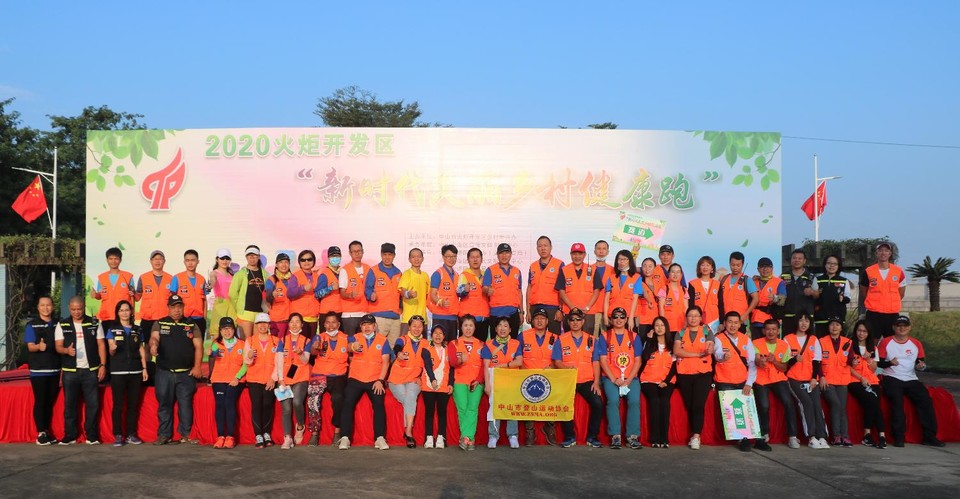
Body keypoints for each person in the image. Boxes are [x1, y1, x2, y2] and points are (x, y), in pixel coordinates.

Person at [878, 315, 944, 447]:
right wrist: (890, 363)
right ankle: (898, 437)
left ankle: (929, 436)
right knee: (897, 402)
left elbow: (921, 364)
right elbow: (879, 363)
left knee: (925, 400)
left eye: (905, 326)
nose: (902, 328)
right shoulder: (886, 342)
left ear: (909, 328)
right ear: (894, 327)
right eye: (899, 326)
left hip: (911, 378)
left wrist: (921, 367)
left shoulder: (916, 343)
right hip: (891, 377)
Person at [149, 294, 203, 445]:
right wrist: (153, 345)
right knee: (164, 405)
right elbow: (154, 338)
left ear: (183, 307)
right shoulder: (160, 323)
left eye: (179, 307)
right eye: (173, 307)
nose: (177, 310)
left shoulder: (191, 324)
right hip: (164, 372)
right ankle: (164, 435)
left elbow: (199, 346)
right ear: (168, 308)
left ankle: (186, 434)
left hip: (185, 373)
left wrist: (197, 367)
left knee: (185, 405)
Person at [55, 296, 106, 445]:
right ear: (69, 308)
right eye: (73, 309)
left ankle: (92, 435)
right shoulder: (62, 324)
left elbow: (101, 345)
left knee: (93, 404)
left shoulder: (94, 323)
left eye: (79, 309)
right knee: (70, 404)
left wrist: (102, 365)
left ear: (84, 307)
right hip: (70, 371)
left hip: (91, 370)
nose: (76, 312)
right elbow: (58, 346)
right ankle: (70, 435)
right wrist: (66, 350)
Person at [339, 314, 391, 450]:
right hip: (356, 377)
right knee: (347, 403)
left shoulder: (383, 340)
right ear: (361, 326)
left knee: (379, 404)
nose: (367, 327)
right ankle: (345, 437)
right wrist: (352, 347)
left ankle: (380, 438)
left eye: (370, 324)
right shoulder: (355, 338)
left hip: (375, 379)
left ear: (374, 326)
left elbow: (386, 362)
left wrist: (380, 380)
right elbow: (347, 347)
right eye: (364, 324)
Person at [553, 308, 603, 448]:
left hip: (587, 380)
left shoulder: (592, 339)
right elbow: (557, 361)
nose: (575, 322)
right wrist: (566, 369)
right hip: (568, 380)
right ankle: (569, 437)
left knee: (598, 403)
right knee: (564, 404)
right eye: (572, 320)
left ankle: (592, 437)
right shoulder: (561, 339)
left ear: (583, 321)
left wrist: (596, 382)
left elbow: (596, 362)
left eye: (578, 319)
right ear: (568, 322)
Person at [596, 307, 642, 449]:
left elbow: (638, 361)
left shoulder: (634, 337)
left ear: (626, 319)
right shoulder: (605, 336)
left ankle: (632, 436)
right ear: (611, 320)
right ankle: (615, 435)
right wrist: (615, 379)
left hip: (630, 378)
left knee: (634, 401)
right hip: (611, 378)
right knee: (613, 400)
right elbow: (603, 361)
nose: (619, 319)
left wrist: (628, 380)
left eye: (622, 317)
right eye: (615, 317)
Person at [713, 311, 758, 452]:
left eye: (736, 322)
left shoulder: (746, 340)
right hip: (724, 380)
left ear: (740, 324)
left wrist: (749, 383)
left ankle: (750, 437)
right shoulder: (718, 338)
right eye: (730, 322)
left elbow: (752, 363)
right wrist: (723, 357)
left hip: (742, 380)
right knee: (733, 409)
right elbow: (717, 355)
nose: (732, 325)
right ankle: (741, 438)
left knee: (746, 408)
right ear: (724, 323)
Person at [752, 319, 801, 450]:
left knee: (788, 402)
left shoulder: (784, 345)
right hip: (761, 379)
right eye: (768, 329)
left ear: (778, 331)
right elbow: (756, 360)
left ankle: (792, 436)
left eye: (774, 329)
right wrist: (760, 362)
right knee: (764, 405)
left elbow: (784, 368)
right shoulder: (756, 343)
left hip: (778, 378)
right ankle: (764, 433)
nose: (771, 332)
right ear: (763, 331)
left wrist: (774, 362)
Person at [104, 300, 147, 446]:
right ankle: (118, 435)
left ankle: (131, 434)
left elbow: (141, 349)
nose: (124, 313)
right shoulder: (112, 329)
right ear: (117, 313)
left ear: (131, 312)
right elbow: (111, 350)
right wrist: (113, 348)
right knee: (118, 405)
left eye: (127, 310)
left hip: (135, 371)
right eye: (121, 310)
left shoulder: (137, 329)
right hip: (118, 372)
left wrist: (144, 368)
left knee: (133, 405)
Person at [784, 313, 829, 449]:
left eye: (807, 321)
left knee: (816, 404)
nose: (804, 323)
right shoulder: (787, 339)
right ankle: (811, 437)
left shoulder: (814, 339)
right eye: (801, 320)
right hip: (794, 378)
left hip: (811, 380)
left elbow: (816, 361)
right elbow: (785, 362)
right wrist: (794, 360)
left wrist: (814, 378)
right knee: (806, 403)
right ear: (796, 322)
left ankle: (822, 436)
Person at [673, 306, 715, 450]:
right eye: (690, 315)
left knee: (698, 405)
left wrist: (709, 349)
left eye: (696, 315)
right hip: (684, 373)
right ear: (686, 318)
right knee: (690, 405)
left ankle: (696, 436)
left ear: (700, 318)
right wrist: (697, 354)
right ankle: (693, 434)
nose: (693, 318)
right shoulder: (680, 333)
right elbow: (677, 350)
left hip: (703, 373)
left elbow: (710, 347)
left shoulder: (707, 331)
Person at [307, 313, 349, 447]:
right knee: (313, 400)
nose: (331, 325)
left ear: (338, 324)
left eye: (333, 322)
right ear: (324, 325)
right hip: (319, 374)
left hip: (338, 375)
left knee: (338, 398)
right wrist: (315, 347)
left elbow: (353, 349)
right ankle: (314, 433)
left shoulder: (346, 338)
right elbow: (312, 352)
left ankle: (337, 431)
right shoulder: (319, 337)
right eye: (328, 322)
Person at [519, 308, 559, 446]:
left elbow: (558, 359)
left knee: (556, 394)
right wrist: (524, 371)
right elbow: (517, 356)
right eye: (536, 318)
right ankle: (529, 430)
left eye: (542, 318)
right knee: (526, 395)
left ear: (547, 321)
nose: (539, 321)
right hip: (528, 377)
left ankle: (550, 426)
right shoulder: (523, 336)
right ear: (532, 321)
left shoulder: (555, 337)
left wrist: (552, 367)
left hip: (548, 377)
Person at [24, 296, 61, 445]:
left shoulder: (58, 323)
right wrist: (38, 347)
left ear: (53, 307)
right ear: (38, 307)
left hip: (55, 369)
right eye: (43, 305)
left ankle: (46, 431)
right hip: (39, 370)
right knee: (41, 401)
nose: (46, 308)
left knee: (49, 402)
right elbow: (30, 346)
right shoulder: (32, 325)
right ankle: (40, 433)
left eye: (48, 305)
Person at [481, 316, 523, 449]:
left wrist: (503, 366)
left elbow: (519, 362)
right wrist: (487, 384)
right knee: (494, 408)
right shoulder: (488, 345)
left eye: (505, 326)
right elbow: (486, 366)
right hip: (495, 383)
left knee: (512, 408)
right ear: (495, 329)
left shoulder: (516, 343)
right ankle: (493, 436)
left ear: (510, 329)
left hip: (512, 382)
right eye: (500, 325)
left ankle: (513, 435)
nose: (502, 328)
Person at [207, 317, 246, 449]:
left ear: (234, 330)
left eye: (229, 328)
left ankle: (230, 436)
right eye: (224, 329)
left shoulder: (242, 344)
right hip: (219, 379)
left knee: (229, 402)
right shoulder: (217, 344)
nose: (227, 331)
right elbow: (212, 353)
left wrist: (237, 378)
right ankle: (220, 436)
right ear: (220, 330)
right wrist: (210, 352)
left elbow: (246, 364)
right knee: (220, 404)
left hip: (236, 380)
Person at [389, 315, 427, 448]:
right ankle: (408, 432)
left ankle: (408, 431)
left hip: (414, 379)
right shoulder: (403, 339)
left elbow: (429, 364)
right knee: (408, 398)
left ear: (423, 328)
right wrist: (398, 353)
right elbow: (397, 347)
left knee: (411, 395)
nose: (417, 329)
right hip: (396, 379)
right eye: (414, 326)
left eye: (419, 326)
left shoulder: (426, 343)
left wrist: (421, 377)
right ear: (409, 327)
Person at [847, 320, 886, 448]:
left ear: (868, 333)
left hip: (872, 380)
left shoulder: (873, 348)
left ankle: (880, 436)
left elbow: (874, 369)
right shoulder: (849, 345)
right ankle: (869, 434)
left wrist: (869, 359)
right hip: (854, 380)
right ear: (855, 331)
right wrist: (860, 377)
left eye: (864, 331)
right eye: (859, 330)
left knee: (875, 403)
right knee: (872, 400)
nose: (861, 333)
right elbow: (847, 367)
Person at [275, 313, 311, 449]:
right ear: (288, 324)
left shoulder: (307, 341)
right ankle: (287, 438)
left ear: (302, 324)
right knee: (286, 409)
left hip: (301, 377)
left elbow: (306, 360)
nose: (294, 324)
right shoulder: (282, 340)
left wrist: (300, 353)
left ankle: (300, 426)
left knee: (297, 402)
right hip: (285, 378)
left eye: (297, 322)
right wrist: (280, 379)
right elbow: (279, 361)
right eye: (292, 322)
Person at [639, 316, 676, 448]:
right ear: (653, 328)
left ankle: (664, 438)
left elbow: (674, 366)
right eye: (657, 325)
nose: (659, 328)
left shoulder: (672, 344)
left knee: (665, 402)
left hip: (667, 380)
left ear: (666, 327)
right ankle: (654, 438)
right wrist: (649, 340)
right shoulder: (648, 342)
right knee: (654, 401)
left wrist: (666, 381)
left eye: (662, 325)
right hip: (648, 379)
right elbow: (644, 357)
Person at [448, 317, 484, 450]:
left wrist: (478, 380)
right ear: (461, 327)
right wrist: (460, 360)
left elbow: (484, 365)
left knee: (472, 409)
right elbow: (452, 362)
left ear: (475, 327)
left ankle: (465, 438)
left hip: (476, 382)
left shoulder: (481, 344)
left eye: (471, 325)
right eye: (465, 325)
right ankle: (469, 439)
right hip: (459, 381)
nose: (468, 328)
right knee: (462, 408)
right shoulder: (454, 343)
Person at [137, 250, 172, 382]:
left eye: (160, 259)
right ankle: (148, 374)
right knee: (147, 346)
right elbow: (137, 296)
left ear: (164, 261)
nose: (157, 261)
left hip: (164, 320)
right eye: (155, 259)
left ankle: (162, 374)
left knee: (163, 347)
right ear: (151, 261)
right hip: (148, 319)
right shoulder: (143, 278)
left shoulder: (171, 279)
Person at [244, 313, 278, 448]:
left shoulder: (276, 341)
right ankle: (258, 434)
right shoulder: (250, 340)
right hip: (254, 379)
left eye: (265, 323)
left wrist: (273, 378)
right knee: (257, 405)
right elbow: (247, 362)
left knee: (268, 405)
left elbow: (279, 362)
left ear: (269, 325)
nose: (262, 326)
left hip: (270, 379)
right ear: (256, 325)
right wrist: (249, 356)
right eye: (259, 323)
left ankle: (267, 433)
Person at [860, 242, 907, 339]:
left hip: (892, 313)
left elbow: (901, 293)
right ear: (876, 253)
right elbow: (864, 291)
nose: (883, 253)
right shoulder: (869, 271)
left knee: (891, 342)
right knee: (872, 341)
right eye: (880, 250)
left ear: (890, 253)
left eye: (886, 250)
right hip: (873, 313)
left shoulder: (898, 271)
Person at [819, 317, 853, 447]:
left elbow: (850, 360)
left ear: (841, 328)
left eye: (837, 325)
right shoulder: (821, 341)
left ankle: (845, 436)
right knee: (836, 404)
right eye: (832, 325)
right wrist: (821, 377)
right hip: (827, 381)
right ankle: (836, 436)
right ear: (828, 327)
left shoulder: (848, 342)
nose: (834, 327)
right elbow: (817, 362)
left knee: (842, 407)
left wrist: (854, 361)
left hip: (842, 380)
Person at [557, 243, 602, 334]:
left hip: (588, 313)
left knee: (588, 339)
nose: (577, 256)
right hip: (569, 311)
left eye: (580, 254)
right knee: (569, 339)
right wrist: (572, 307)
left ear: (584, 254)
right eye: (574, 254)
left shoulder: (592, 269)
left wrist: (587, 307)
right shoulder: (564, 270)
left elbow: (597, 291)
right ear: (570, 255)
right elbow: (561, 291)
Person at [422, 323, 454, 449]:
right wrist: (433, 379)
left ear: (444, 336)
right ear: (431, 335)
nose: (438, 336)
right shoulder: (426, 349)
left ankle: (441, 437)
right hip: (428, 386)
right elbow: (427, 365)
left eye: (441, 333)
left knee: (442, 412)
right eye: (435, 333)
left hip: (444, 386)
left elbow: (452, 368)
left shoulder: (449, 350)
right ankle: (429, 437)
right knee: (429, 412)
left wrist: (451, 384)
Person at [483, 243, 524, 338]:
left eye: (507, 253)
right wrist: (487, 290)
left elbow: (519, 292)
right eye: (501, 253)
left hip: (513, 313)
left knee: (513, 342)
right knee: (495, 343)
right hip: (496, 313)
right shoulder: (490, 270)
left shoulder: (517, 271)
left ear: (511, 254)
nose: (504, 256)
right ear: (497, 255)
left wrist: (521, 312)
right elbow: (484, 288)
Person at [169, 250, 209, 345]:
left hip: (199, 319)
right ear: (184, 262)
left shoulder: (202, 279)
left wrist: (204, 317)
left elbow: (204, 299)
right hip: (183, 318)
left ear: (198, 261)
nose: (190, 263)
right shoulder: (177, 278)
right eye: (187, 260)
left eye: (193, 260)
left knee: (199, 346)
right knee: (182, 346)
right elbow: (171, 299)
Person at [366, 243, 403, 347]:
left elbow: (401, 294)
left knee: (393, 347)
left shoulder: (399, 273)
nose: (387, 257)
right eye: (385, 254)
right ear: (381, 255)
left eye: (390, 255)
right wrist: (371, 295)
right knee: (377, 346)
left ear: (394, 255)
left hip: (395, 318)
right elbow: (367, 289)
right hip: (379, 316)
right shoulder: (374, 270)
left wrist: (401, 309)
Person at [526, 235, 565, 334]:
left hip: (553, 308)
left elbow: (563, 289)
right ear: (537, 248)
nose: (543, 248)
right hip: (535, 307)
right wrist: (528, 310)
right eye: (540, 246)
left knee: (554, 338)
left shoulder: (559, 264)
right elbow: (529, 288)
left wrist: (560, 309)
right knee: (536, 337)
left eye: (545, 245)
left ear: (551, 247)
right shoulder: (533, 266)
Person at [229, 245, 268, 339]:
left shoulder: (265, 274)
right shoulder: (240, 274)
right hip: (245, 313)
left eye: (254, 255)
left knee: (257, 341)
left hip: (259, 313)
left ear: (258, 257)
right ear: (246, 257)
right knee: (246, 341)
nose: (252, 257)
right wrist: (239, 308)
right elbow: (232, 293)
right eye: (249, 255)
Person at [717, 251, 759, 332]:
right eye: (733, 265)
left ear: (742, 265)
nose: (735, 267)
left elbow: (756, 299)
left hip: (739, 321)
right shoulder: (723, 279)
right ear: (729, 264)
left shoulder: (747, 280)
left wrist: (745, 315)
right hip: (724, 321)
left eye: (738, 265)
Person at [603, 250, 643, 334]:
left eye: (625, 259)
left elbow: (635, 299)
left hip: (628, 316)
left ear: (630, 261)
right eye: (620, 259)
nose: (622, 261)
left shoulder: (636, 277)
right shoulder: (611, 278)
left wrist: (631, 318)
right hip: (613, 316)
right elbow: (606, 299)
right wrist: (605, 316)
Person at [92, 247, 136, 322]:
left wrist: (132, 313)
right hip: (107, 316)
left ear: (120, 260)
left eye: (116, 259)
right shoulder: (102, 277)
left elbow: (133, 297)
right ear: (107, 260)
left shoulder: (128, 276)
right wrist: (95, 295)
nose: (113, 261)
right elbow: (99, 295)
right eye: (110, 259)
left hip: (123, 317)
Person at [265, 252, 304, 338]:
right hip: (278, 320)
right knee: (278, 343)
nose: (284, 265)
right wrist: (272, 295)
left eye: (286, 262)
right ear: (276, 265)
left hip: (292, 320)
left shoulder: (294, 278)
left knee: (291, 343)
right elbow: (267, 297)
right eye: (281, 262)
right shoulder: (271, 280)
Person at [781, 249, 819, 335]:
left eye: (799, 258)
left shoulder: (811, 277)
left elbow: (817, 295)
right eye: (794, 258)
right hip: (788, 316)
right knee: (788, 341)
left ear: (804, 261)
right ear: (791, 260)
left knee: (807, 341)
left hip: (805, 318)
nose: (797, 260)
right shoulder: (783, 276)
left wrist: (812, 292)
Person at [814, 254, 852, 338]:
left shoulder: (844, 281)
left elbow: (848, 298)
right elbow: (813, 297)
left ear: (838, 266)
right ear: (825, 265)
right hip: (821, 319)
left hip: (837, 320)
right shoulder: (817, 279)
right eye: (829, 263)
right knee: (821, 343)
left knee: (837, 343)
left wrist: (842, 299)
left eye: (835, 264)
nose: (832, 266)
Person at [429, 244, 461, 341]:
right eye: (448, 256)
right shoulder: (438, 274)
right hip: (440, 316)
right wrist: (440, 301)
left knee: (451, 346)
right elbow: (432, 295)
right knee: (440, 345)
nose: (451, 259)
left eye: (454, 256)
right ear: (443, 257)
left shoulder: (457, 275)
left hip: (453, 317)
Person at [339, 241, 371, 336]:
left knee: (363, 343)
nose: (357, 253)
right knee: (350, 342)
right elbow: (342, 292)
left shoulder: (368, 268)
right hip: (350, 315)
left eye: (359, 251)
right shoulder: (345, 270)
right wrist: (350, 295)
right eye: (354, 251)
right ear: (350, 253)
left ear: (363, 251)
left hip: (365, 313)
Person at [459, 247, 491, 342]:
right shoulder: (464, 275)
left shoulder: (486, 275)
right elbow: (458, 292)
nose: (475, 259)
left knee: (481, 347)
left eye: (477, 257)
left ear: (482, 259)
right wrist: (464, 290)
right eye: (472, 257)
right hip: (468, 321)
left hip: (483, 319)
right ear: (468, 260)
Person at [750, 257, 786, 340]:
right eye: (762, 267)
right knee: (756, 345)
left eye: (768, 267)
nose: (765, 269)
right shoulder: (753, 281)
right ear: (758, 269)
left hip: (771, 321)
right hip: (756, 320)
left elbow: (783, 300)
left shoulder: (779, 282)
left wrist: (775, 298)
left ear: (772, 268)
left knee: (772, 345)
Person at [398, 247, 430, 335]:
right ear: (409, 259)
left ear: (422, 259)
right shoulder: (407, 274)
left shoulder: (425, 276)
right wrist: (408, 294)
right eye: (413, 257)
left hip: (423, 319)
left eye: (419, 256)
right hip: (408, 319)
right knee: (405, 343)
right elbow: (402, 291)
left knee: (422, 343)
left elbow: (428, 296)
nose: (416, 259)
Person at [291, 249, 321, 337]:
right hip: (300, 318)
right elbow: (290, 293)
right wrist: (303, 288)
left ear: (314, 261)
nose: (306, 262)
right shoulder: (295, 276)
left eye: (309, 259)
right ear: (299, 262)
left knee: (311, 343)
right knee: (301, 343)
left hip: (313, 317)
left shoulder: (317, 276)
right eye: (303, 260)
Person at [207, 248, 236, 341]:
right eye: (222, 258)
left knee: (231, 332)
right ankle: (215, 350)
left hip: (232, 305)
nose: (225, 261)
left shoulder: (232, 275)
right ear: (217, 259)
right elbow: (213, 280)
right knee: (217, 332)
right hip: (220, 304)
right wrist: (210, 285)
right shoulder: (214, 273)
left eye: (227, 258)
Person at [688, 256, 720, 333]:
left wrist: (722, 322)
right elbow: (690, 305)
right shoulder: (693, 284)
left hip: (714, 323)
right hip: (698, 322)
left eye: (708, 265)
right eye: (702, 265)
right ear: (699, 268)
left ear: (712, 268)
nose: (705, 267)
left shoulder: (717, 284)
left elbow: (721, 304)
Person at [591, 240, 614, 335]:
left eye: (604, 249)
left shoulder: (613, 271)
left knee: (607, 339)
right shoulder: (588, 269)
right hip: (592, 310)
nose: (601, 251)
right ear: (594, 251)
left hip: (608, 311)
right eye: (599, 248)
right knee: (593, 338)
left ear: (608, 252)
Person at [658, 263, 688, 334]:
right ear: (669, 273)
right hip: (668, 326)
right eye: (673, 272)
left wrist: (686, 322)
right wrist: (663, 324)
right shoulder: (664, 289)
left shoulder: (684, 290)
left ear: (681, 275)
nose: (675, 274)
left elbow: (686, 308)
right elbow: (661, 307)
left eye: (678, 272)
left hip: (682, 326)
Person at [315, 246, 343, 322]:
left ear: (340, 257)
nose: (335, 258)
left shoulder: (343, 272)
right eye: (333, 256)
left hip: (341, 312)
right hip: (326, 313)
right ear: (328, 258)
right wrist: (330, 288)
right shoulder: (324, 273)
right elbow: (317, 294)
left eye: (337, 256)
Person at [635, 257, 660, 337]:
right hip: (642, 321)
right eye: (644, 266)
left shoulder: (659, 283)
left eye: (650, 266)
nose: (647, 269)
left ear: (654, 268)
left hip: (655, 321)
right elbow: (631, 269)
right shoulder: (638, 282)